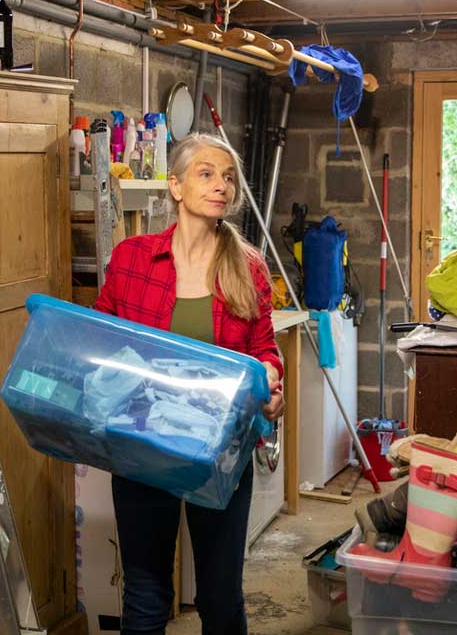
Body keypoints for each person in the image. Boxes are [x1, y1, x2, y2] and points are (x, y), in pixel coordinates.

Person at [94, 132, 285, 635]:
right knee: (145, 596)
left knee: (220, 598)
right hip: (142, 446)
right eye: (206, 173)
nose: (220, 185)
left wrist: (271, 377)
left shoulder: (249, 268)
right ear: (175, 187)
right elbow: (101, 339)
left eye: (227, 177)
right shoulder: (133, 259)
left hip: (219, 452)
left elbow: (264, 346)